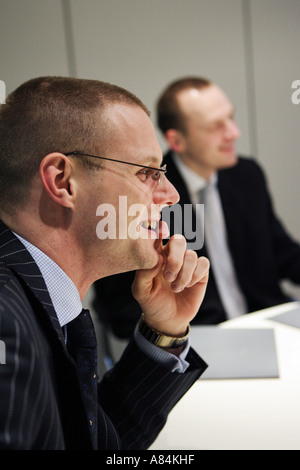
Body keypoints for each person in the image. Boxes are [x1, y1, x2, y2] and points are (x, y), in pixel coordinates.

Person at [0, 76, 210, 450]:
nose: (171, 194)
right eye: (146, 172)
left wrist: (164, 329)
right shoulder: (7, 326)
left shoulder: (32, 293)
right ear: (63, 181)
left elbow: (93, 441)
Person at [93, 76, 300, 338]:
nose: (233, 133)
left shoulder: (246, 175)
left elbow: (282, 252)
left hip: (262, 323)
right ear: (177, 141)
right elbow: (120, 301)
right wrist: (170, 336)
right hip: (195, 335)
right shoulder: (147, 195)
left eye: (231, 118)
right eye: (216, 126)